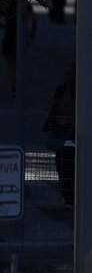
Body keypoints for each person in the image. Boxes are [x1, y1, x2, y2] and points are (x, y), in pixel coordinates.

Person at [46, 64, 76, 207]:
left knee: (69, 167)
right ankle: (68, 195)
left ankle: (70, 195)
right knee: (64, 166)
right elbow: (54, 108)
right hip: (63, 135)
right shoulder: (62, 91)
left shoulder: (79, 92)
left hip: (70, 135)